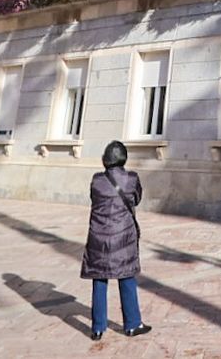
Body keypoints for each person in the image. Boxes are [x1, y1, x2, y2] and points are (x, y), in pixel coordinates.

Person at [81, 140, 151, 340]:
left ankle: (98, 328)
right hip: (123, 236)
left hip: (98, 236)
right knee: (126, 276)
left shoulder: (96, 180)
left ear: (105, 159)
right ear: (123, 158)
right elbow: (136, 199)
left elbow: (94, 199)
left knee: (99, 279)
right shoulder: (131, 179)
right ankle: (132, 324)